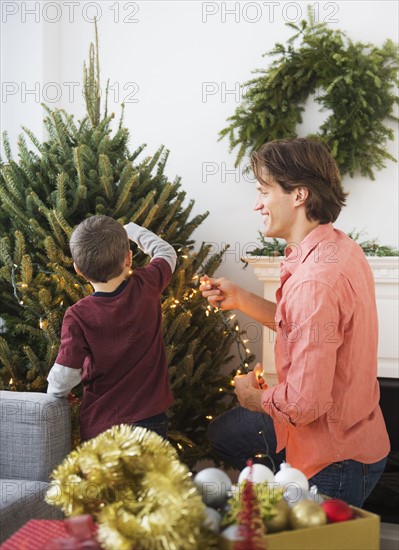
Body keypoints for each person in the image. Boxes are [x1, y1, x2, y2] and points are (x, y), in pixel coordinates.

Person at [200, 138, 390, 507]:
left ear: (299, 195)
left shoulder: (314, 282)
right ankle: (274, 488)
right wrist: (241, 299)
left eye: (264, 191)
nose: (257, 204)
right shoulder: (339, 248)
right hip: (363, 436)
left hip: (332, 460)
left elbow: (303, 405)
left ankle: (274, 494)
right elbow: (310, 328)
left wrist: (251, 396)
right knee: (225, 431)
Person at [47, 215, 177, 440]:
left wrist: (57, 393)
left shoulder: (78, 316)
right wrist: (131, 230)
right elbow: (166, 253)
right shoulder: (147, 284)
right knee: (149, 476)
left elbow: (66, 372)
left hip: (102, 425)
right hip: (150, 420)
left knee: (104, 477)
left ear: (78, 269)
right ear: (128, 259)